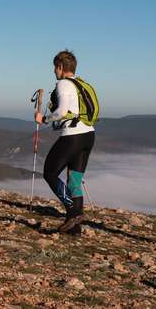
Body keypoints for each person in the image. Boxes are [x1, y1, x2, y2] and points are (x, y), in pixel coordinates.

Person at [35, 50, 97, 235]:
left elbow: (61, 112)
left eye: (55, 68)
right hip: (89, 135)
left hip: (73, 136)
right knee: (75, 181)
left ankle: (73, 211)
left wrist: (44, 119)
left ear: (61, 67)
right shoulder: (81, 84)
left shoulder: (63, 84)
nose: (54, 72)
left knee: (50, 172)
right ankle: (75, 228)